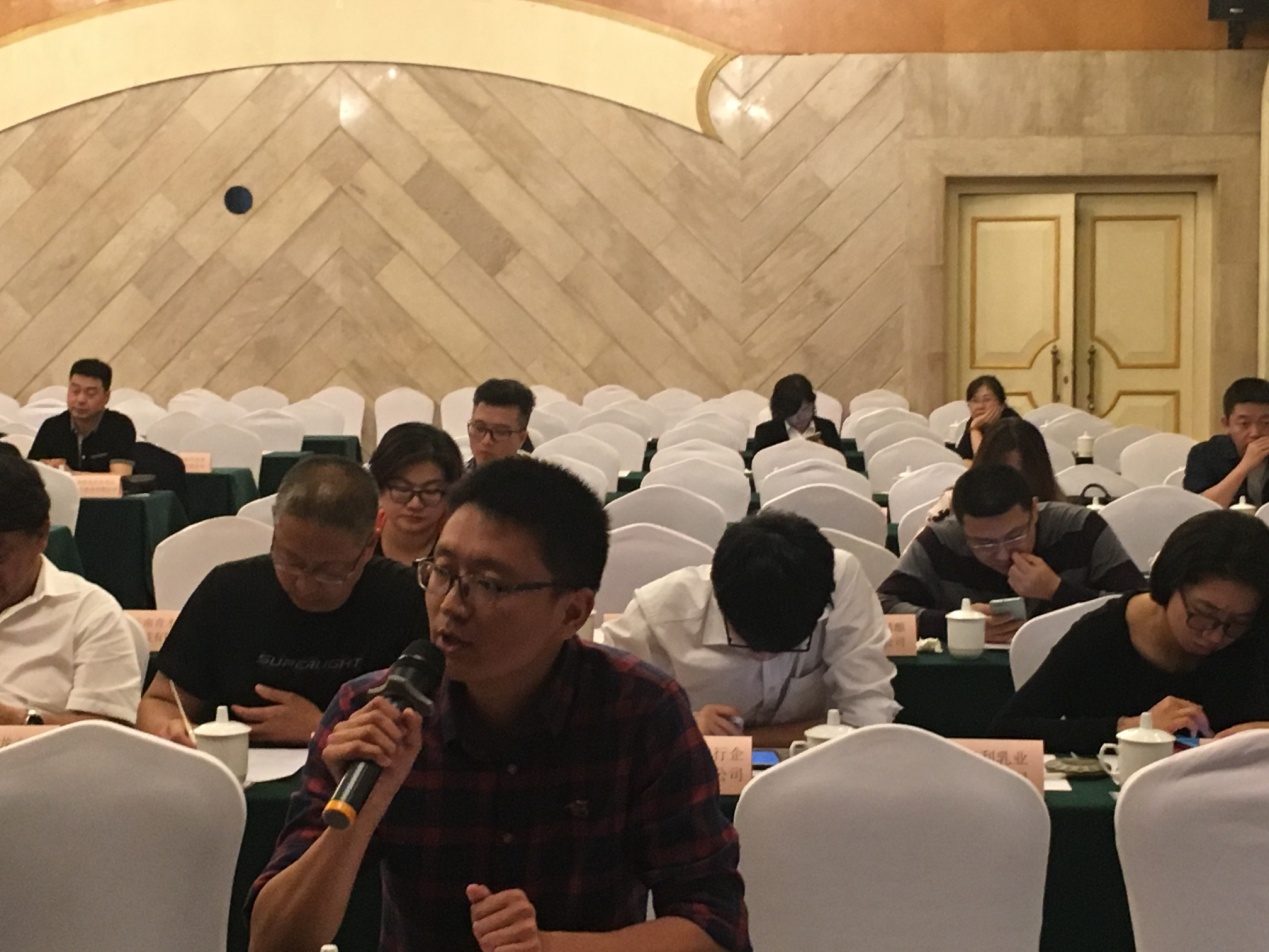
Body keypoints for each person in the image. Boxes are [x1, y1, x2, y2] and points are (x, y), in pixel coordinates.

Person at [247, 457, 748, 952]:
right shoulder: (372, 709)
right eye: (441, 572)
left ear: (572, 611)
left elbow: (714, 927)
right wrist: (360, 814)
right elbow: (272, 942)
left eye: (488, 584)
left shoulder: (640, 712)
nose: (450, 605)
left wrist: (550, 948)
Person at [136, 456, 426, 747]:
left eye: (330, 572)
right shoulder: (229, 591)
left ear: (369, 545)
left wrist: (321, 730)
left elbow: (428, 735)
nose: (304, 585)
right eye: (289, 561)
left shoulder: (405, 599)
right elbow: (160, 701)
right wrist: (173, 729)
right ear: (276, 525)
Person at [603, 511, 897, 748]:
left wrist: (742, 740)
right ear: (718, 596)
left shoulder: (836, 582)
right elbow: (606, 715)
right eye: (747, 644)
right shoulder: (658, 615)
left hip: (816, 771)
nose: (766, 657)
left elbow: (869, 720)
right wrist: (681, 724)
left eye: (790, 647)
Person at [989, 511, 1269, 754]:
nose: (1215, 636)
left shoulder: (1256, 633)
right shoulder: (1103, 634)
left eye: (1237, 623)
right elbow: (1008, 730)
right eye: (1203, 614)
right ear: (1170, 584)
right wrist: (1130, 727)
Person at [878, 465, 1145, 641]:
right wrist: (955, 624)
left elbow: (1144, 607)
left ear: (1034, 511)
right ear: (961, 527)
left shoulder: (1080, 528)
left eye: (1015, 535)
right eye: (984, 543)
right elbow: (882, 608)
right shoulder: (940, 540)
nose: (1003, 554)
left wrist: (1056, 591)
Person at [0, 456, 143, 726]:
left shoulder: (90, 614)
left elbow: (108, 734)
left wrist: (16, 720)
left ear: (42, 535)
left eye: (0, 554)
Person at [927, 416, 1062, 519]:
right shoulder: (952, 504)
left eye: (1021, 475)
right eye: (1003, 474)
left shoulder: (1058, 515)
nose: (1011, 484)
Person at [368, 423, 464, 565]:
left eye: (430, 491)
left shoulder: (461, 546)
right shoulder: (359, 538)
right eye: (402, 489)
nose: (415, 504)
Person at [27, 358, 136, 472]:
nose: (81, 400)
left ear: (106, 397)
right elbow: (30, 473)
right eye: (75, 391)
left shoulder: (120, 427)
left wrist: (70, 475)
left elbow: (120, 476)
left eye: (90, 393)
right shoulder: (51, 427)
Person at [1183, 377, 1269, 508]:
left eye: (1266, 423)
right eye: (1244, 424)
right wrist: (1245, 466)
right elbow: (1197, 509)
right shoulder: (1205, 454)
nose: (1255, 433)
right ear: (1226, 424)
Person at [752, 374, 843, 453]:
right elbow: (758, 464)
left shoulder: (827, 428)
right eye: (793, 412)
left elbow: (841, 462)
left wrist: (826, 451)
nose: (800, 417)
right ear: (782, 410)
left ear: (812, 404)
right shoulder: (766, 433)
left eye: (805, 409)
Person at [466, 377, 535, 470]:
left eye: (500, 432)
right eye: (479, 428)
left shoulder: (539, 478)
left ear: (521, 438)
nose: (486, 441)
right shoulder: (454, 475)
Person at [954, 375, 1020, 460]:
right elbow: (960, 458)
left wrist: (974, 429)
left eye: (987, 400)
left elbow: (986, 462)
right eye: (975, 401)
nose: (980, 406)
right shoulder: (975, 421)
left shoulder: (1011, 425)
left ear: (1001, 404)